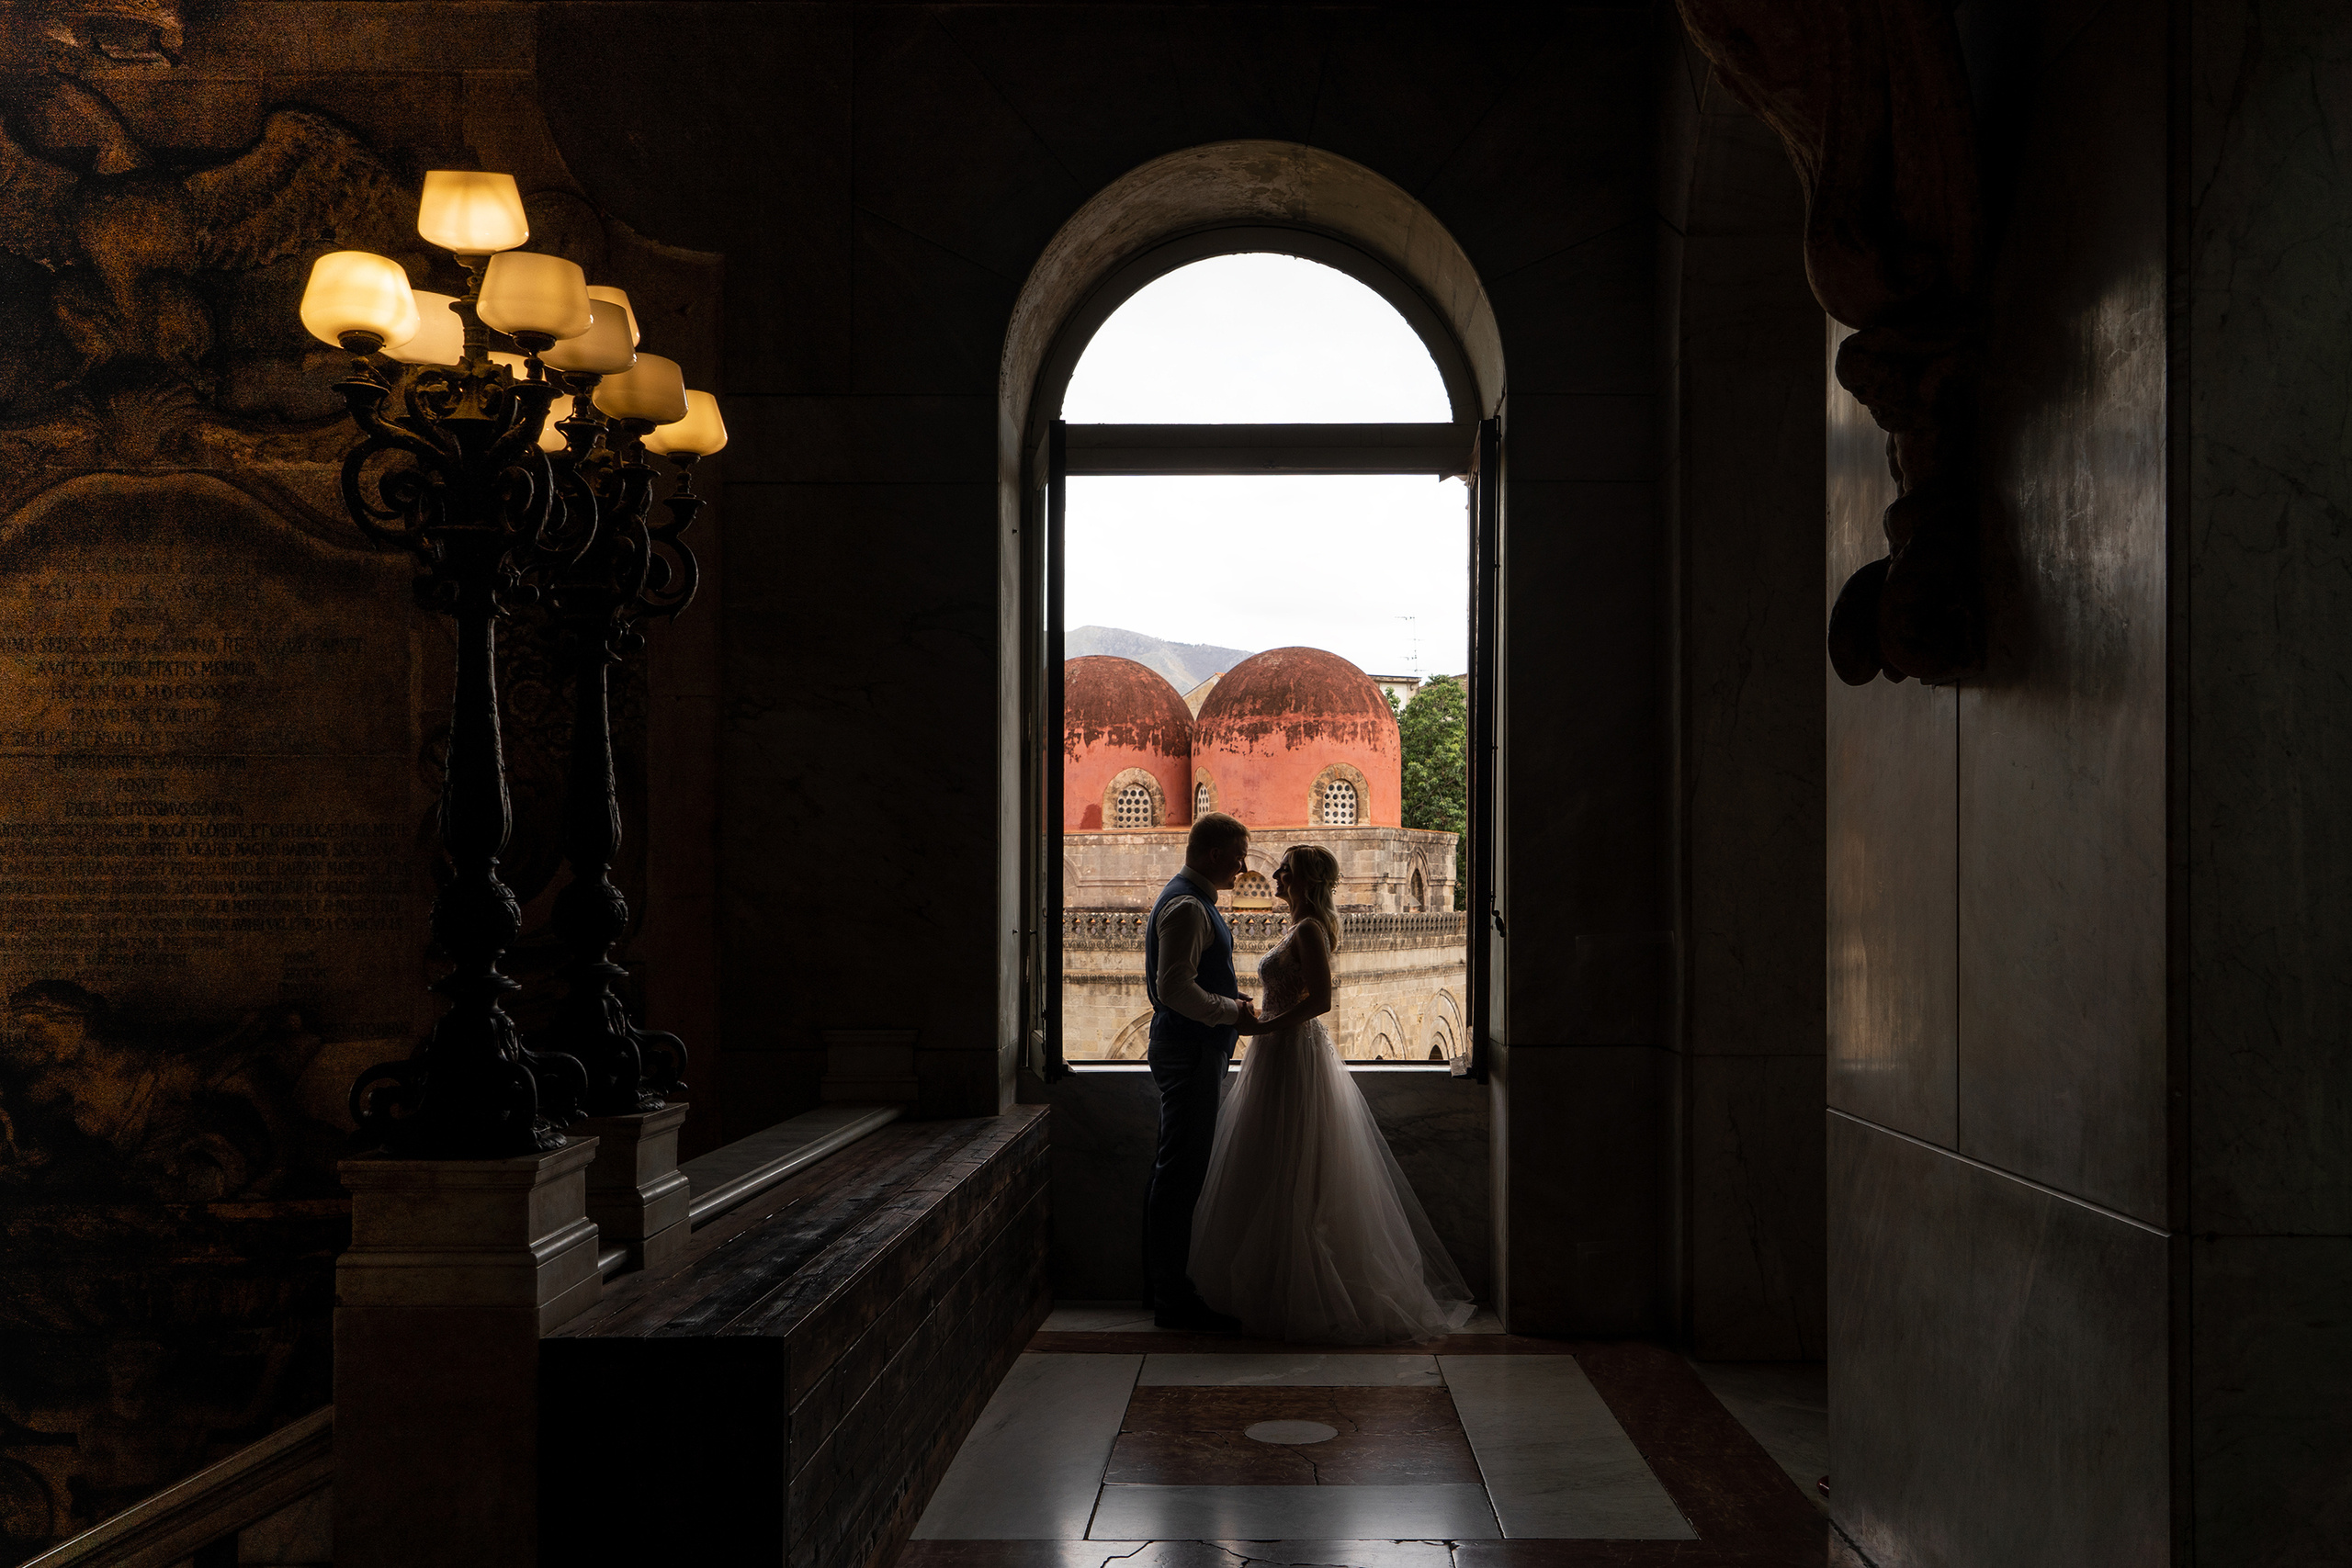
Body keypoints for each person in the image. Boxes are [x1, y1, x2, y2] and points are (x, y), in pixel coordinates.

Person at [1190, 844, 1476, 1343]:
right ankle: (1273, 1288)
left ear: (1305, 882)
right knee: (1271, 1163)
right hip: (1276, 1051)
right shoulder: (1296, 928)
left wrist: (1266, 1027)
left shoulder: (1307, 930)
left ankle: (1302, 1296)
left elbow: (1320, 1001)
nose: (1274, 875)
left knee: (1296, 1165)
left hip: (1292, 1052)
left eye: (1286, 871)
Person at [1140, 812, 1259, 1332]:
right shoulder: (1188, 906)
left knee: (1180, 1169)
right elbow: (1175, 990)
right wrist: (1233, 1011)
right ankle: (1171, 1297)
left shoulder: (1193, 902)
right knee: (1180, 1172)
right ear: (1214, 855)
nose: (1244, 866)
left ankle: (1168, 1289)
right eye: (1239, 855)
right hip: (1188, 1054)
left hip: (1191, 1052)